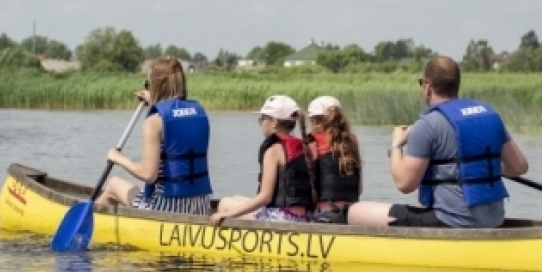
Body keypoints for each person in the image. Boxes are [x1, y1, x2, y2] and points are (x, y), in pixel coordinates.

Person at [348, 56, 529, 229]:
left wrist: (396, 145)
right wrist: (483, 167)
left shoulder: (427, 125)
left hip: (451, 222)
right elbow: (519, 167)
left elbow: (404, 184)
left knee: (355, 212)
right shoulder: (490, 115)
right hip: (494, 220)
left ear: (427, 87)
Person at [97, 56, 213, 215]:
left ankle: (89, 230)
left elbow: (148, 175)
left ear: (156, 85)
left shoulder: (153, 122)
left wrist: (118, 158)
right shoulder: (199, 113)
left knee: (114, 184)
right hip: (200, 207)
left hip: (166, 209)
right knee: (136, 191)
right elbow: (174, 114)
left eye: (149, 84)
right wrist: (153, 100)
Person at [211, 95, 316, 225]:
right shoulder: (303, 146)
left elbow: (265, 197)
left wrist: (226, 214)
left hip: (282, 217)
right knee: (235, 198)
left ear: (274, 121)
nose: (261, 123)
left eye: (262, 119)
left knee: (225, 203)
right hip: (302, 216)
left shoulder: (273, 151)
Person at [305, 96, 362, 222]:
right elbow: (359, 188)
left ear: (313, 120)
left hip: (324, 211)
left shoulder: (311, 142)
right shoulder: (352, 141)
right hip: (353, 211)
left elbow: (309, 188)